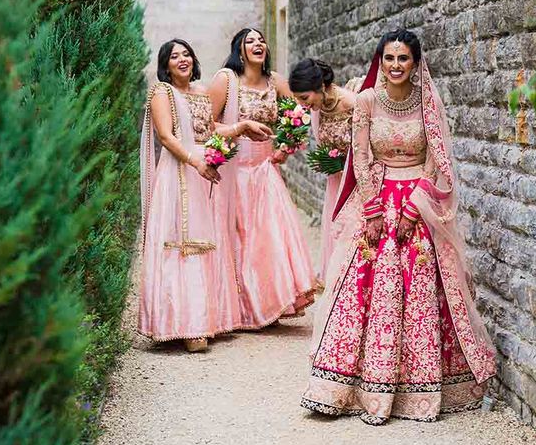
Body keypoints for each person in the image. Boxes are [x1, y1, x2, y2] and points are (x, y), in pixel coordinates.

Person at [301, 29, 496, 423]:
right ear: (380, 61)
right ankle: (348, 387)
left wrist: (414, 207)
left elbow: (434, 160)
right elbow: (359, 156)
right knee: (368, 290)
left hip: (418, 206)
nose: (394, 66)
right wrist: (372, 210)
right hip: (377, 202)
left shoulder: (428, 102)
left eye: (402, 59)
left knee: (422, 290)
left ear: (415, 62)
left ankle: (421, 391)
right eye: (388, 58)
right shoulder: (368, 101)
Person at [139, 39, 269, 351]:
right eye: (174, 56)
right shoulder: (162, 93)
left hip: (204, 173)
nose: (182, 60)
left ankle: (204, 319)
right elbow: (167, 136)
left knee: (207, 244)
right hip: (180, 171)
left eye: (186, 54)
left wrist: (241, 126)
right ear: (165, 65)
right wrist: (195, 161)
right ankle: (180, 325)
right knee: (181, 244)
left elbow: (209, 130)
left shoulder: (199, 93)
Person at [209, 28, 317, 330]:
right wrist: (238, 129)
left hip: (266, 168)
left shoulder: (277, 81)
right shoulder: (226, 81)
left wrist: (286, 147)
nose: (258, 44)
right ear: (239, 50)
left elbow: (300, 115)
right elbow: (206, 124)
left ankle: (266, 303)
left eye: (261, 40)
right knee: (237, 235)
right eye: (250, 41)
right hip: (234, 170)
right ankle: (238, 307)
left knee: (267, 236)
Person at [289, 58, 356, 286]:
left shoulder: (351, 103)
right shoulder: (317, 109)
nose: (302, 104)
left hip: (356, 181)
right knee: (335, 232)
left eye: (305, 98)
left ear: (321, 86)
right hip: (336, 180)